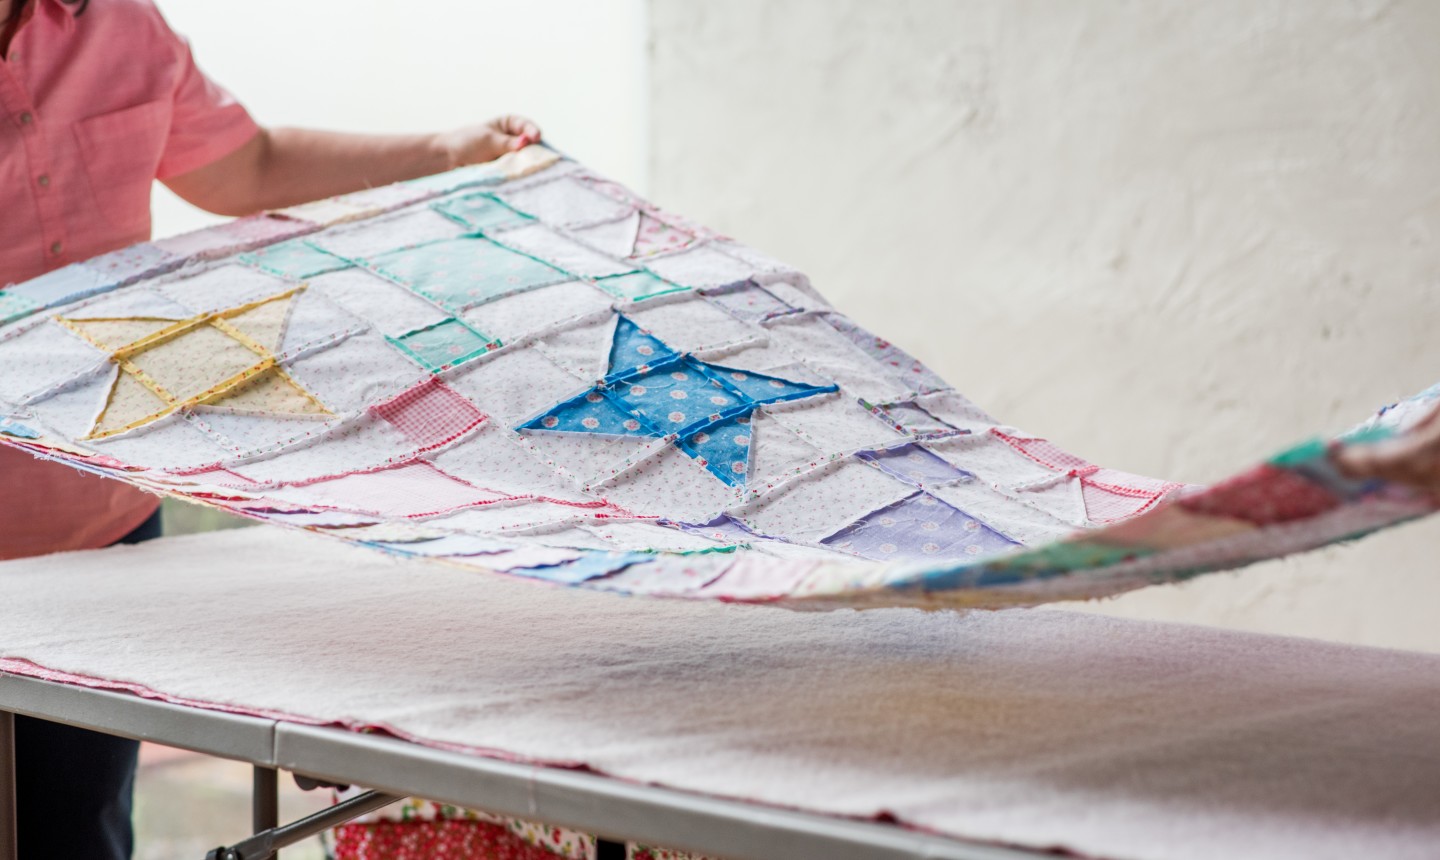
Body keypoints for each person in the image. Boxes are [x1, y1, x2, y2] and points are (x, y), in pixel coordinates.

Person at [0, 0, 538, 857]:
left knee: (75, 833)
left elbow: (245, 166)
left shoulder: (122, 24)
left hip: (100, 535)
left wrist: (443, 154)